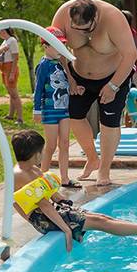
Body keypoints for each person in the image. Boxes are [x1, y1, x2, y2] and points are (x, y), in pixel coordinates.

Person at [11, 130, 137, 253]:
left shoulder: (33, 169)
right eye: (42, 151)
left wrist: (66, 203)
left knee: (101, 217)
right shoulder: (20, 176)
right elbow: (44, 206)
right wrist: (67, 230)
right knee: (100, 223)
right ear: (35, 154)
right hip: (43, 218)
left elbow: (50, 195)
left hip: (53, 211)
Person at [52, 0, 137, 186]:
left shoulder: (113, 17)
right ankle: (92, 158)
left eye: (87, 29)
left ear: (96, 17)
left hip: (113, 75)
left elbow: (131, 54)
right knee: (73, 115)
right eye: (77, 30)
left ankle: (104, 169)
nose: (82, 33)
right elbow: (55, 49)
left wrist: (114, 85)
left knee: (108, 122)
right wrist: (70, 78)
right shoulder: (62, 14)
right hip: (79, 75)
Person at [33, 27, 77, 189]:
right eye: (56, 45)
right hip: (49, 110)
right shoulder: (43, 65)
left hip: (63, 109)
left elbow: (64, 85)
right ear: (46, 46)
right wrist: (37, 109)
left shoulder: (60, 65)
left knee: (64, 143)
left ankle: (64, 178)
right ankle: (42, 178)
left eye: (62, 45)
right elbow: (38, 90)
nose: (61, 49)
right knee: (51, 145)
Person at [0, 28, 23, 123]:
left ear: (4, 31)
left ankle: (20, 118)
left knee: (14, 94)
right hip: (4, 68)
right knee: (11, 93)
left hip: (10, 68)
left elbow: (15, 57)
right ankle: (11, 115)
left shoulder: (12, 40)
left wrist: (12, 73)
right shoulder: (5, 41)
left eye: (0, 30)